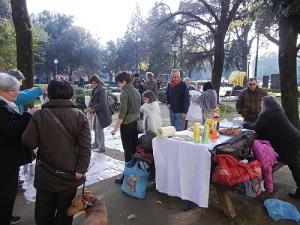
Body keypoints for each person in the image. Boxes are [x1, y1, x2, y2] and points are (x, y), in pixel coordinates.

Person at [22, 79, 91, 225]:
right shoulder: (80, 116)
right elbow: (85, 146)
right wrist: (81, 167)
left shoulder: (39, 115)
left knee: (44, 210)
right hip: (70, 173)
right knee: (65, 211)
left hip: (45, 172)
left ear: (50, 94)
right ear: (70, 94)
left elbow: (29, 142)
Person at [242, 96, 300, 198]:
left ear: (264, 104)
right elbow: (260, 125)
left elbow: (257, 127)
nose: (261, 105)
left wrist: (244, 124)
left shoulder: (266, 113)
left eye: (262, 103)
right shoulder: (278, 112)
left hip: (287, 143)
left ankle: (265, 182)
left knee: (285, 163)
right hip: (294, 139)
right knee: (295, 165)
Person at [0, 73, 37, 225]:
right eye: (12, 90)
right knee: (6, 192)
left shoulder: (5, 105)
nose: (17, 92)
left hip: (6, 158)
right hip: (5, 160)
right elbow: (12, 130)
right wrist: (28, 115)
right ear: (1, 90)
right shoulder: (1, 108)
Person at [7, 69, 48, 195]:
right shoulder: (10, 97)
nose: (20, 86)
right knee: (12, 158)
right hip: (13, 133)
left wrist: (30, 91)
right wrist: (41, 89)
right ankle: (12, 183)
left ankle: (15, 180)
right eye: (19, 82)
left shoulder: (10, 92)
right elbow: (22, 98)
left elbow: (22, 94)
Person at [111, 71, 141, 184]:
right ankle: (135, 174)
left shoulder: (124, 93)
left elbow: (122, 113)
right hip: (135, 124)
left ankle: (126, 176)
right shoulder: (136, 92)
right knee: (134, 149)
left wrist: (115, 128)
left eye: (119, 83)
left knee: (128, 151)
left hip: (127, 125)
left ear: (123, 82)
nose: (118, 85)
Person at [85, 75, 112, 152]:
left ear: (97, 82)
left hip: (102, 112)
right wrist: (90, 107)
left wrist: (92, 108)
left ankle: (102, 146)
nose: (92, 85)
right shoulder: (96, 89)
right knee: (94, 127)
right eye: (91, 83)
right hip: (98, 111)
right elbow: (93, 100)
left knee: (99, 129)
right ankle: (96, 143)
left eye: (93, 83)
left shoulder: (102, 90)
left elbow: (102, 103)